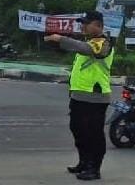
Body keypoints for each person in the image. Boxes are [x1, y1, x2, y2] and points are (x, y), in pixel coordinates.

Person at [45, 10, 113, 182]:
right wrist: (56, 43)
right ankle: (84, 161)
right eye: (82, 23)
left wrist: (61, 39)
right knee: (78, 130)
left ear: (98, 25)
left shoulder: (103, 43)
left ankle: (94, 168)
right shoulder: (89, 42)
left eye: (86, 23)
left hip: (95, 97)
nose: (83, 26)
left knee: (94, 134)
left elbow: (87, 49)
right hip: (79, 96)